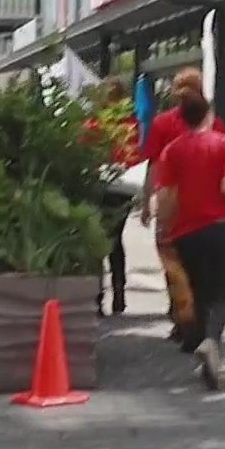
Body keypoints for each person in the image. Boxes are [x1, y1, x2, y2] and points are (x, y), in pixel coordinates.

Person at [152, 87, 225, 390]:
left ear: (181, 119)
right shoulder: (224, 143)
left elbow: (166, 197)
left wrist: (163, 226)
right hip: (220, 228)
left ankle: (201, 342)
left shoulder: (172, 150)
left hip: (186, 233)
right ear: (208, 114)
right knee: (221, 292)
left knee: (198, 293)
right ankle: (212, 341)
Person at [139, 69, 225, 342]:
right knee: (207, 273)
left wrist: (147, 203)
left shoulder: (161, 124)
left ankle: (184, 319)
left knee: (175, 266)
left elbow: (154, 167)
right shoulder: (217, 126)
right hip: (209, 208)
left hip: (171, 205)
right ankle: (197, 325)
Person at [90, 79, 140, 316]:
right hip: (123, 187)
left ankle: (97, 298)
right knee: (116, 240)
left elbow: (85, 150)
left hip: (100, 187)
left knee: (97, 242)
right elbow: (133, 154)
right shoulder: (130, 124)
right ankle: (119, 295)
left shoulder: (94, 122)